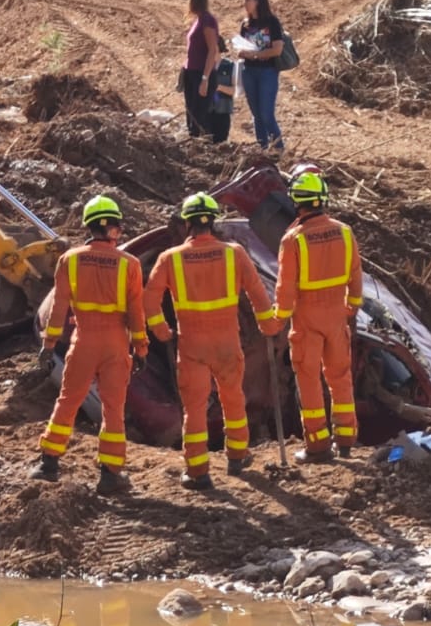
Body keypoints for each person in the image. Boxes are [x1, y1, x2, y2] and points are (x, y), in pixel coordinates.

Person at [144, 191, 281, 489]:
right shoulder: (234, 253)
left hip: (191, 345)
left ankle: (197, 471)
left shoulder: (171, 258)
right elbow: (258, 294)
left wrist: (161, 331)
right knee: (233, 398)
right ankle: (237, 456)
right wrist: (268, 324)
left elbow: (149, 301)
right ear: (213, 221)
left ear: (187, 224)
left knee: (194, 408)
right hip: (227, 343)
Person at [32, 195, 148, 495]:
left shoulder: (70, 259)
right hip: (115, 344)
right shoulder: (130, 264)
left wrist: (48, 344)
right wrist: (142, 348)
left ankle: (48, 463)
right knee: (113, 408)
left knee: (68, 400)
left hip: (82, 340)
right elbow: (136, 312)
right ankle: (110, 474)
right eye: (118, 227)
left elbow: (59, 307)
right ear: (111, 228)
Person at [272, 171, 363, 463]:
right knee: (340, 378)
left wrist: (278, 319)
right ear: (323, 198)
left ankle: (317, 446)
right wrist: (351, 309)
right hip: (337, 316)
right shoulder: (345, 232)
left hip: (307, 319)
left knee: (309, 381)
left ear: (296, 201)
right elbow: (356, 277)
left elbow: (285, 288)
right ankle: (346, 440)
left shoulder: (293, 240)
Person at [238, 0, 286, 152]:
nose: (245, 3)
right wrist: (243, 53)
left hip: (267, 72)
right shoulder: (245, 24)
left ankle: (279, 150)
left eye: (248, 0)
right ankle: (262, 149)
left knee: (266, 114)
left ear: (258, 1)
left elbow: (277, 49)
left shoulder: (272, 22)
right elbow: (243, 45)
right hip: (249, 72)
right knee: (256, 115)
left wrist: (255, 55)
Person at [180, 0, 225, 142]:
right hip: (192, 72)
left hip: (201, 73)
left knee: (200, 117)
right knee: (192, 115)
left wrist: (205, 79)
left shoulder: (207, 21)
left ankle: (205, 149)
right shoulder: (198, 20)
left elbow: (212, 50)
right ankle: (194, 147)